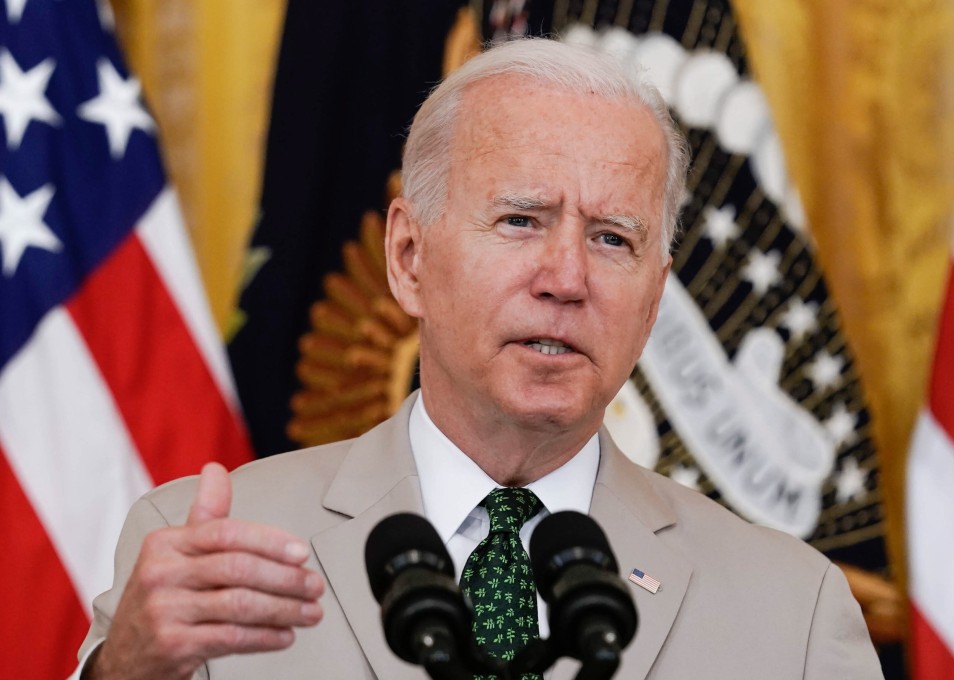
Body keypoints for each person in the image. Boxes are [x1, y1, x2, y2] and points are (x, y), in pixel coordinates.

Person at [75, 38, 883, 679]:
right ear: (408, 256)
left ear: (655, 295)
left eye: (612, 239)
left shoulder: (794, 611)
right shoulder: (207, 554)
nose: (566, 279)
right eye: (521, 221)